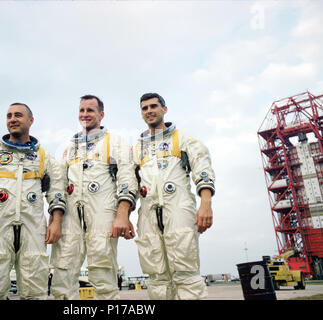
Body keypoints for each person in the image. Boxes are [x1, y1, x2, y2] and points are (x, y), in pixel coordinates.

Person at [0, 103, 66, 300]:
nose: (13, 119)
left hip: (33, 228)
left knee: (35, 290)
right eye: (9, 116)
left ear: (31, 121)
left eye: (18, 115)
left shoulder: (44, 157)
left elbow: (57, 190)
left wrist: (56, 221)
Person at [50, 95, 137, 300]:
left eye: (90, 110)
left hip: (102, 214)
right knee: (62, 272)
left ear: (101, 114)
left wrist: (122, 214)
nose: (85, 114)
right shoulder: (70, 147)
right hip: (71, 216)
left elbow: (127, 179)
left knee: (102, 271)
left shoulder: (115, 142)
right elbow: (57, 184)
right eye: (82, 110)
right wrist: (55, 219)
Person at [133, 93, 215, 300]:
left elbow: (202, 170)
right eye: (144, 108)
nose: (149, 111)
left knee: (186, 272)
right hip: (149, 215)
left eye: (153, 106)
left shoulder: (183, 139)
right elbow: (130, 185)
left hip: (178, 209)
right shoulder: (137, 149)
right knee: (157, 277)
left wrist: (205, 204)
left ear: (164, 109)